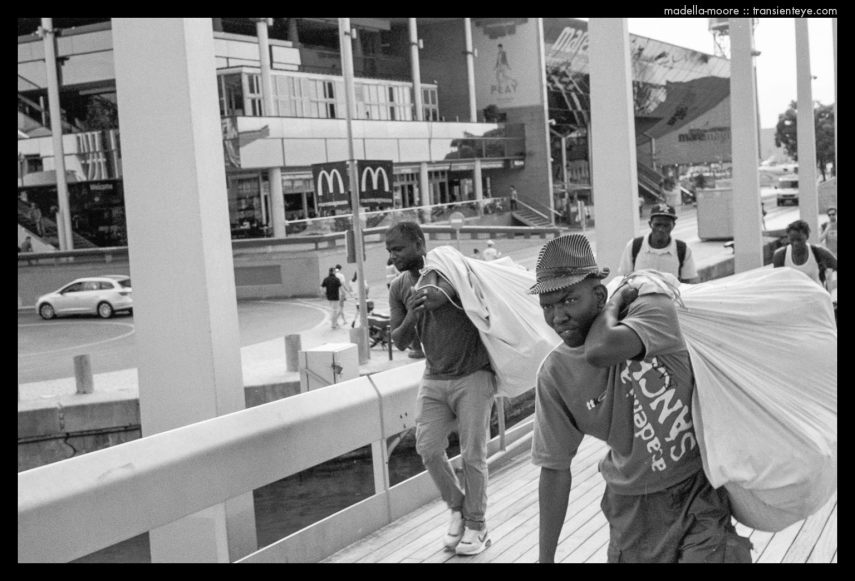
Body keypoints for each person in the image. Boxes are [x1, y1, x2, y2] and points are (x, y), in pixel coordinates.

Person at [530, 234, 752, 563]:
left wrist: (617, 304)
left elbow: (599, 351)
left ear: (599, 294)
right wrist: (545, 558)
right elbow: (554, 468)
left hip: (697, 492)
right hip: (632, 511)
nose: (557, 316)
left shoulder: (653, 311)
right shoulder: (555, 375)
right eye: (547, 306)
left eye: (568, 300)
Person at [386, 221, 496, 556]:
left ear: (419, 244)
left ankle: (477, 525)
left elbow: (447, 295)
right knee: (428, 448)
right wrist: (412, 315)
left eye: (398, 249)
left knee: (473, 453)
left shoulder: (449, 269)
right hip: (434, 377)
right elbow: (400, 338)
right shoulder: (398, 287)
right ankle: (458, 507)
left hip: (473, 374)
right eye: (389, 250)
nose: (393, 257)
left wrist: (434, 295)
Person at [617, 203, 699, 283]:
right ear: (650, 224)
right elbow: (623, 278)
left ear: (673, 226)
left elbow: (689, 281)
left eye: (666, 225)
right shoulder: (634, 246)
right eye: (657, 225)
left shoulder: (682, 249)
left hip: (671, 296)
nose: (661, 229)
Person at [772, 219, 837, 290]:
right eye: (792, 240)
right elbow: (777, 282)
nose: (795, 243)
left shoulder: (818, 252)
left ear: (807, 237)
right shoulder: (780, 256)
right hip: (791, 299)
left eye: (799, 240)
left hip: (815, 297)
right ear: (788, 238)